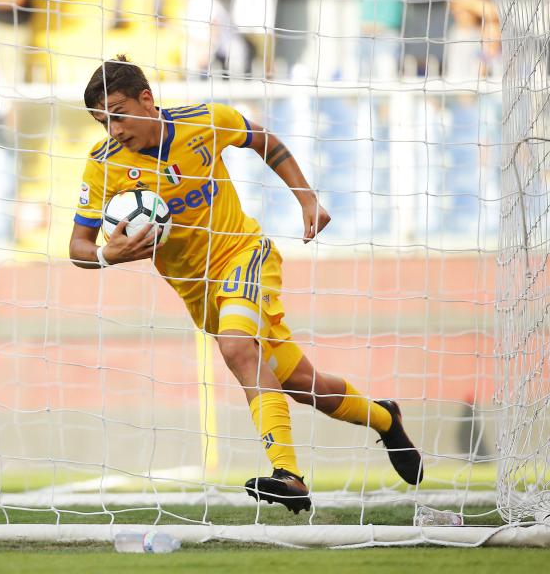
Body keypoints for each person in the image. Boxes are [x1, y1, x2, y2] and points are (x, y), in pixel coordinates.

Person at [70, 56, 424, 513]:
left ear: (146, 99)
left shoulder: (204, 121)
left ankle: (288, 475)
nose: (113, 130)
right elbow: (77, 245)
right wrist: (105, 255)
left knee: (237, 349)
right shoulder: (102, 166)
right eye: (103, 122)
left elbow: (264, 140)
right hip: (199, 292)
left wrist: (307, 198)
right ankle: (384, 417)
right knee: (303, 384)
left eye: (117, 114)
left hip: (245, 253)